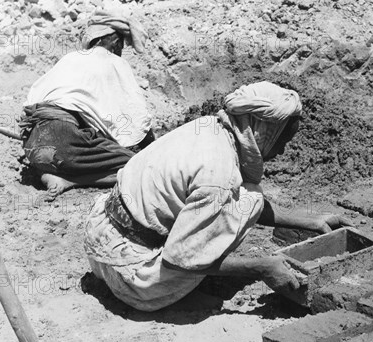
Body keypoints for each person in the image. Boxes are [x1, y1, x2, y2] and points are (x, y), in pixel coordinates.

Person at [84, 82, 351, 311]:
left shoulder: (210, 127)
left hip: (101, 240)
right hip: (134, 278)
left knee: (247, 196)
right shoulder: (218, 175)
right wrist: (262, 268)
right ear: (263, 129)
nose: (282, 151)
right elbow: (180, 258)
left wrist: (310, 221)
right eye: (282, 140)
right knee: (237, 203)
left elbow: (250, 199)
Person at [19, 11, 154, 200]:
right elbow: (134, 119)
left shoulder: (70, 59)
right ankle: (71, 180)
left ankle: (46, 170)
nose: (120, 50)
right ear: (115, 43)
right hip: (63, 144)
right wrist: (152, 148)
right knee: (142, 166)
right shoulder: (114, 62)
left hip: (32, 145)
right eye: (121, 45)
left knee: (82, 142)